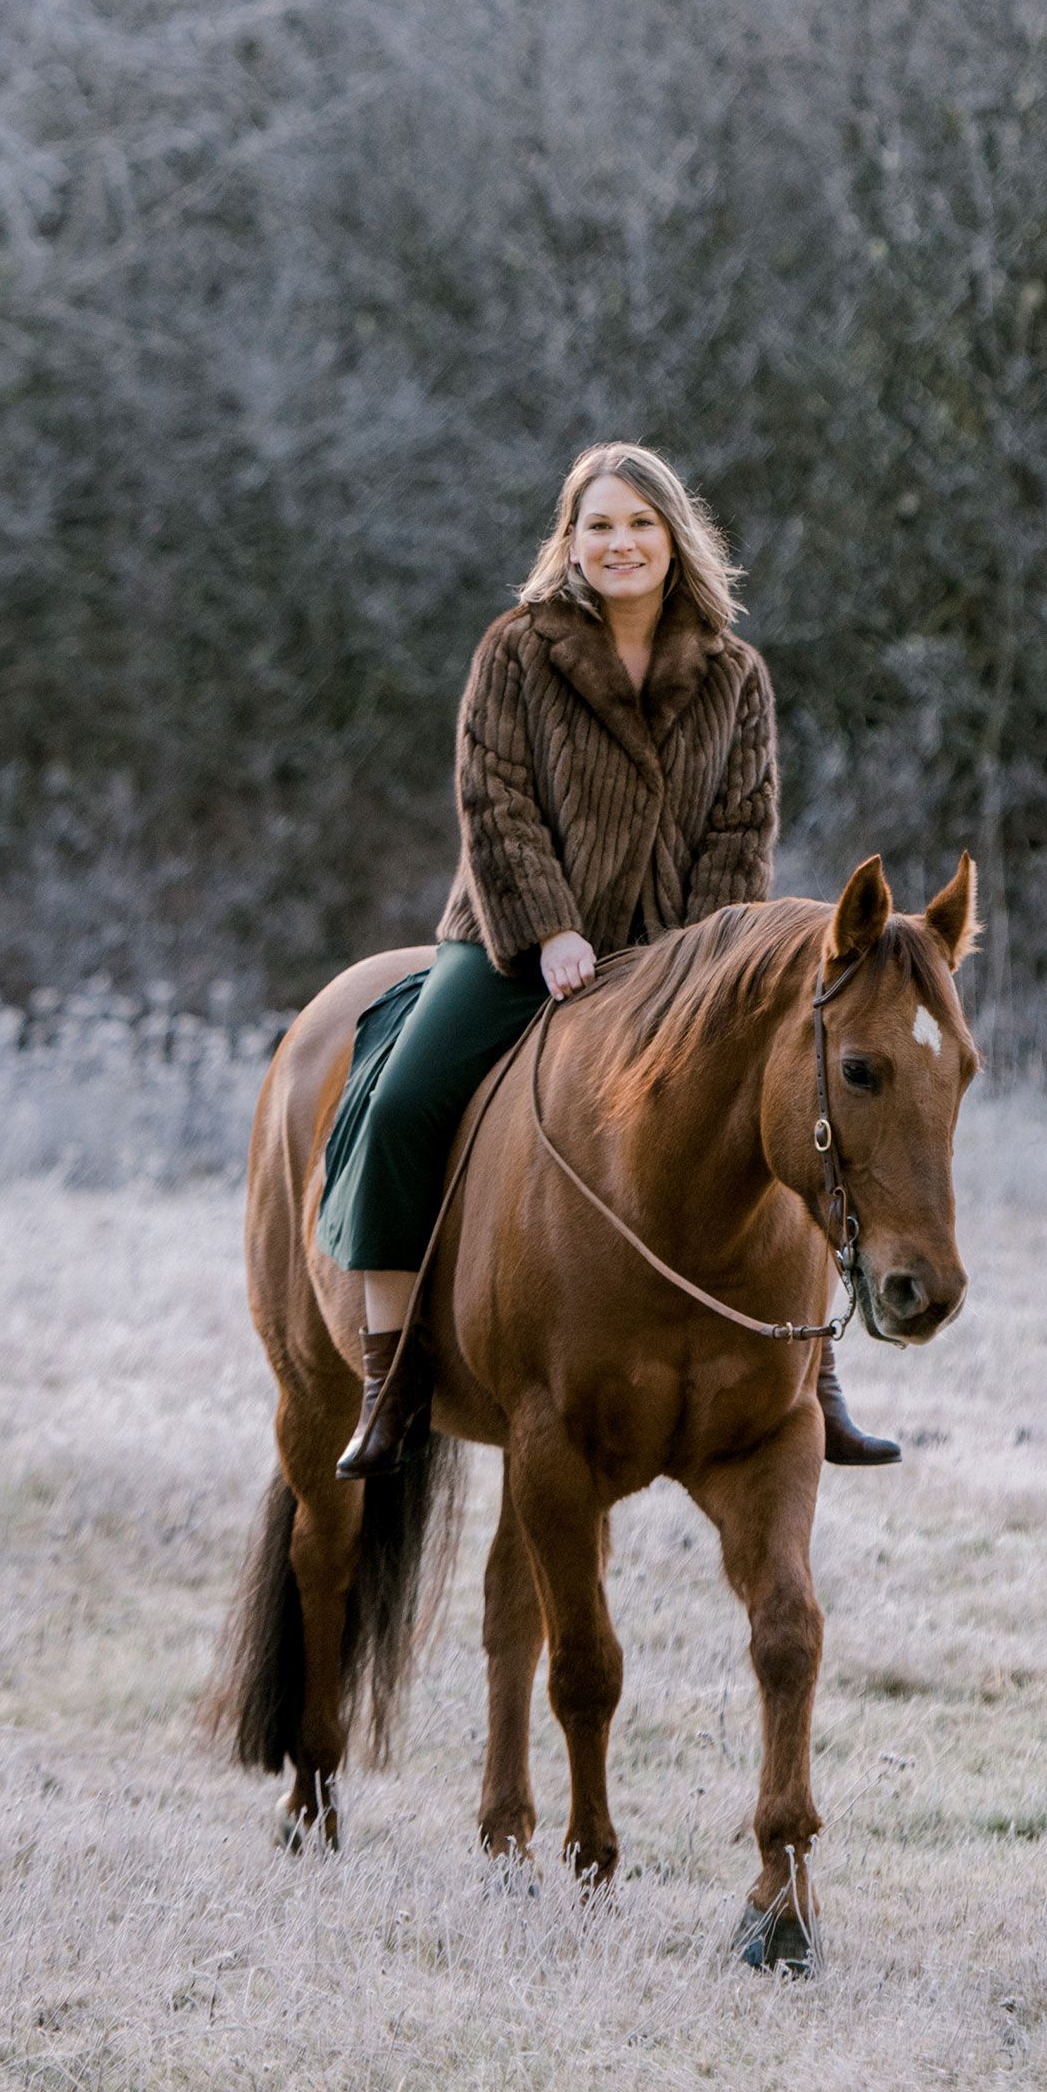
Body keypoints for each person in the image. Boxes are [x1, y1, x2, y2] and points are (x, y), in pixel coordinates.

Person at [320, 440, 899, 1478]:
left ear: (675, 537)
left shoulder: (734, 675)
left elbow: (741, 830)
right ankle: (390, 1374)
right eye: (599, 525)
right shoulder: (515, 651)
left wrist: (690, 966)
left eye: (639, 522)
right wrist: (547, 930)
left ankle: (810, 1370)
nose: (620, 542)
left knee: (781, 1108)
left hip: (675, 967)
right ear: (570, 543)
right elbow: (491, 801)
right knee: (404, 1103)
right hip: (509, 943)